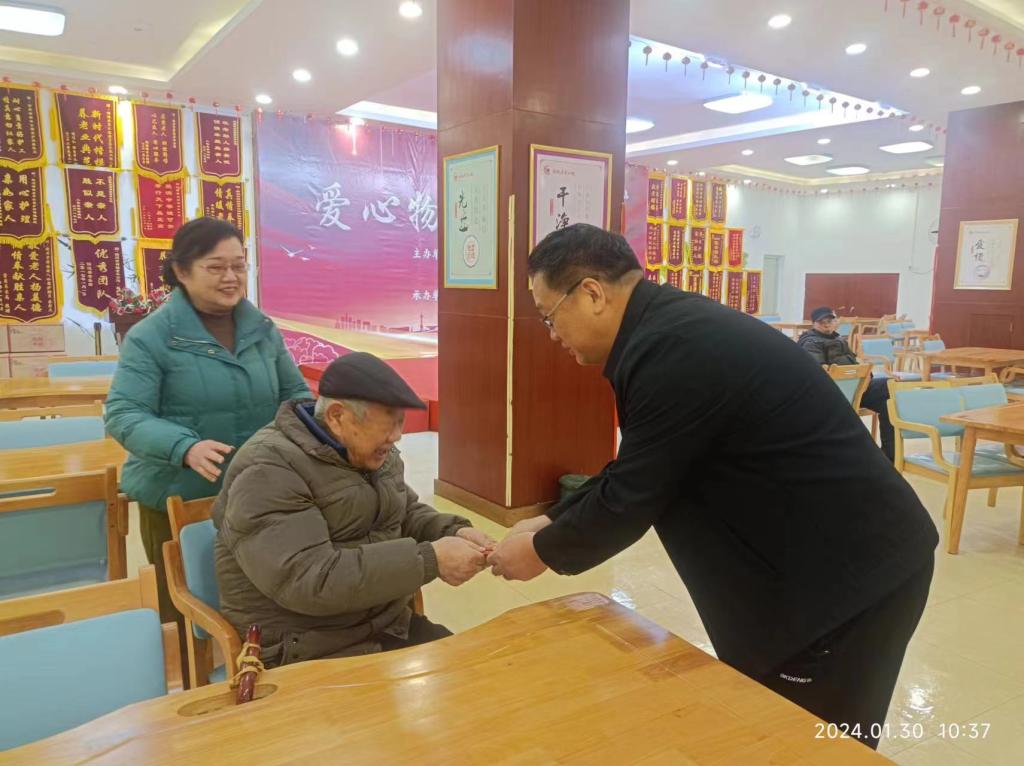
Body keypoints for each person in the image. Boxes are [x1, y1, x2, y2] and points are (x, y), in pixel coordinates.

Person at [486, 223, 937, 750]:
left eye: (549, 316)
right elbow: (642, 467)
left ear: (591, 293)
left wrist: (539, 551)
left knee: (809, 745)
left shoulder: (671, 349)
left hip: (844, 585)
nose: (552, 334)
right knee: (774, 729)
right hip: (821, 564)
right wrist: (547, 521)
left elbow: (630, 500)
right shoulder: (665, 330)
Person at [104, 217, 311, 670]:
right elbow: (123, 413)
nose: (231, 277)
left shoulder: (261, 330)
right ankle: (192, 694)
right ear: (182, 271)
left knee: (263, 600)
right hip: (177, 496)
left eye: (239, 265)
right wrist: (184, 446)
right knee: (187, 615)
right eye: (216, 267)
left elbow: (295, 396)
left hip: (257, 491)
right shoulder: (151, 337)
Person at [212, 352, 493, 666]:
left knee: (477, 676)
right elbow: (310, 580)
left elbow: (403, 511)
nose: (397, 436)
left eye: (400, 423)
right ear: (337, 416)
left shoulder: (373, 453)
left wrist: (452, 531)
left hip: (385, 625)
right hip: (303, 646)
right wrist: (430, 560)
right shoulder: (268, 469)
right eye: (389, 425)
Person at [797, 306, 895, 462]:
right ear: (814, 323)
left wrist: (866, 375)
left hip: (854, 389)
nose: (827, 324)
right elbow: (819, 373)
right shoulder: (810, 342)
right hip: (829, 394)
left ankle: (889, 457)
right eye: (822, 322)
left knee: (888, 395)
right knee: (884, 386)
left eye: (830, 321)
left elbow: (855, 363)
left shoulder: (840, 340)